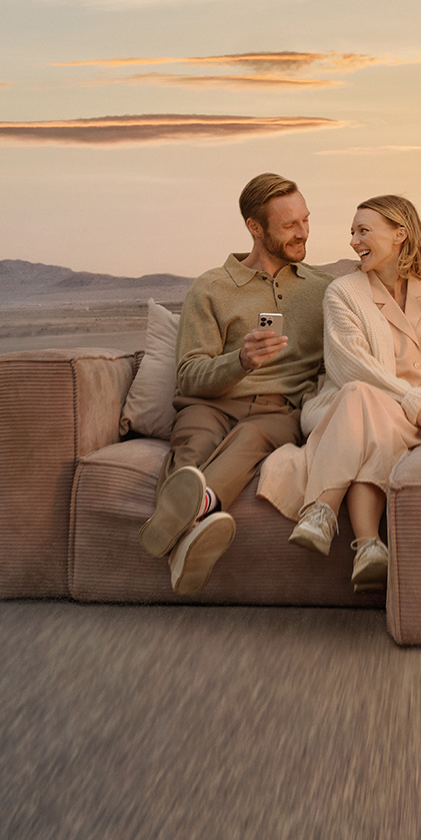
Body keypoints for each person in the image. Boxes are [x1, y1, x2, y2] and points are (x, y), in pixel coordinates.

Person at [257, 195, 421, 590]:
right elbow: (349, 363)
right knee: (359, 395)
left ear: (400, 234)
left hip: (416, 420)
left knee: (370, 423)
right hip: (346, 406)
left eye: (363, 231)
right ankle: (363, 541)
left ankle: (327, 513)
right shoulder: (343, 292)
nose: (353, 241)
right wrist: (412, 401)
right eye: (352, 232)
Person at [138, 173, 333, 594]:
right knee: (192, 446)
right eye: (289, 225)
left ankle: (193, 514)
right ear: (254, 228)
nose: (303, 233)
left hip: (279, 410)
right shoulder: (211, 287)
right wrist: (239, 360)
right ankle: (188, 538)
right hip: (210, 403)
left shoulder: (324, 290)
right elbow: (189, 373)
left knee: (253, 437)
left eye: (305, 220)